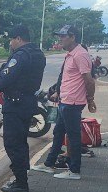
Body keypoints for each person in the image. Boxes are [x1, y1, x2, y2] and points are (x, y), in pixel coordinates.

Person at [0, 24, 46, 192]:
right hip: (28, 102)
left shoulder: (21, 56)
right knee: (21, 142)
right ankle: (21, 177)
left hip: (16, 104)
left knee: (13, 144)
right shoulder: (38, 53)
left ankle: (21, 183)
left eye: (11, 39)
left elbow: (4, 81)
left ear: (18, 38)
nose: (10, 43)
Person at [33, 24, 96, 180]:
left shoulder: (80, 54)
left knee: (73, 137)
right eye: (59, 36)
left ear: (73, 36)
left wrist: (90, 99)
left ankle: (74, 170)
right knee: (58, 133)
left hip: (72, 103)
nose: (60, 39)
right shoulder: (71, 54)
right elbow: (69, 79)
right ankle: (49, 164)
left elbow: (89, 81)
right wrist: (58, 93)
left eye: (63, 36)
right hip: (65, 101)